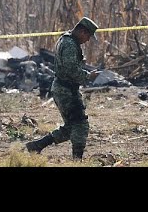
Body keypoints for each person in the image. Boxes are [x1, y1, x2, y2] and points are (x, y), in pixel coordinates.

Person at [25, 17, 100, 161]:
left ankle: (37, 146)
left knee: (71, 128)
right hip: (66, 91)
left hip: (64, 89)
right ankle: (77, 161)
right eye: (88, 36)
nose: (88, 40)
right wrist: (88, 76)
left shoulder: (66, 40)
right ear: (82, 31)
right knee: (81, 126)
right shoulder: (70, 44)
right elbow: (71, 69)